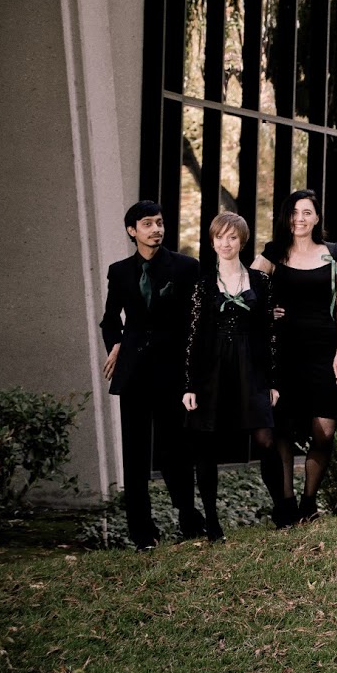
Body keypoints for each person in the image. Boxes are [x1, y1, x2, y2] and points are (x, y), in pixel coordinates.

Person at [100, 200, 202, 550]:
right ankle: (142, 532)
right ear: (132, 231)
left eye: (159, 222)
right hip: (133, 373)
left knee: (175, 449)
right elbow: (110, 320)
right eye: (147, 224)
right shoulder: (119, 271)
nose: (156, 229)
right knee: (135, 452)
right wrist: (116, 344)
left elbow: (195, 322)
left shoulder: (186, 267)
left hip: (172, 373)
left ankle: (189, 518)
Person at [251, 190, 337, 524]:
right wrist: (267, 311)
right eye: (294, 212)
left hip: (325, 349)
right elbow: (246, 289)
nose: (300, 219)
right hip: (285, 352)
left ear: (317, 217)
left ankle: (309, 501)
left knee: (324, 431)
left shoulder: (334, 253)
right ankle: (287, 503)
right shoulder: (274, 253)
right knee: (282, 429)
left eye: (307, 212)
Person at [182, 212, 279, 542]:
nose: (226, 243)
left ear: (242, 241)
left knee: (265, 439)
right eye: (220, 237)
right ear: (212, 242)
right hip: (213, 369)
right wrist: (190, 385)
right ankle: (212, 522)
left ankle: (283, 510)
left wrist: (273, 382)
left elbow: (269, 333)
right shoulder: (203, 284)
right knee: (206, 443)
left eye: (232, 237)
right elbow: (193, 336)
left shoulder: (261, 281)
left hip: (251, 366)